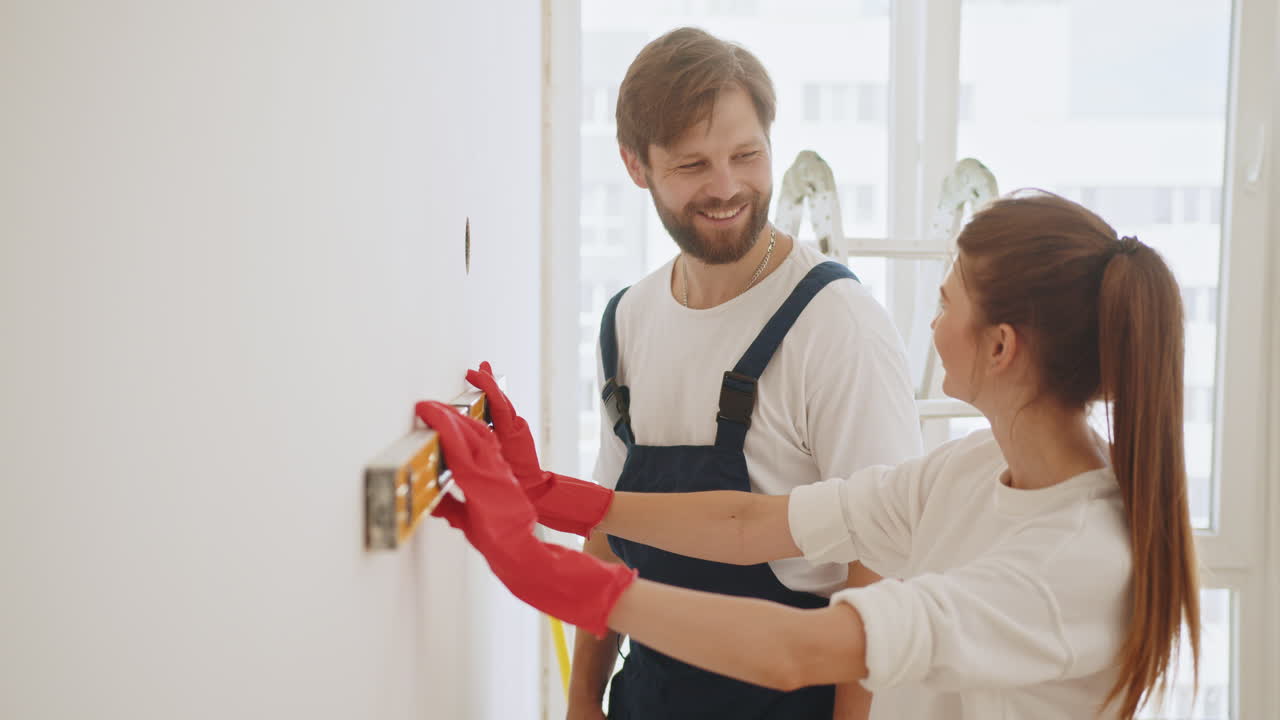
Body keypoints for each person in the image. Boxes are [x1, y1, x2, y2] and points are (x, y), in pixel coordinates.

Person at [419, 190, 1202, 720]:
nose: (931, 326)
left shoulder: (1073, 560)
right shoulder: (974, 469)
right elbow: (752, 523)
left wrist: (546, 570)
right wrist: (551, 494)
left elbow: (795, 652)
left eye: (945, 302)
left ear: (1001, 347)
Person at [548, 25, 921, 720]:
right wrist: (580, 702)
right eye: (693, 165)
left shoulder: (836, 323)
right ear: (635, 165)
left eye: (746, 155)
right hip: (648, 698)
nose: (726, 188)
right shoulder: (627, 321)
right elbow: (608, 537)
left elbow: (883, 566)